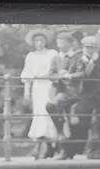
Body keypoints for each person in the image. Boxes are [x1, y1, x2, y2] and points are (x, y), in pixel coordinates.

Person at [56, 35, 100, 160]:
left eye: (93, 47)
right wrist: (65, 73)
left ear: (96, 48)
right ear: (83, 47)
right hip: (85, 95)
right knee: (81, 123)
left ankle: (99, 151)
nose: (90, 50)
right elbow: (70, 71)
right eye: (87, 47)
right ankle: (70, 151)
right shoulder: (77, 58)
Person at [20, 28, 60, 159]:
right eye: (36, 40)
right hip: (37, 88)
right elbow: (27, 75)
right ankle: (40, 145)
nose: (39, 43)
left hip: (49, 86)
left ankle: (51, 145)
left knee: (48, 113)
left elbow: (57, 70)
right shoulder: (31, 56)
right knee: (39, 115)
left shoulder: (52, 53)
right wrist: (26, 93)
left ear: (45, 41)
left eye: (41, 40)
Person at [46, 30, 82, 154]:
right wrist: (59, 77)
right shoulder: (56, 57)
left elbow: (82, 72)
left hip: (73, 91)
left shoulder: (77, 56)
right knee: (51, 106)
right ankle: (60, 132)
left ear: (69, 43)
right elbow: (50, 74)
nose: (59, 44)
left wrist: (70, 75)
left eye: (62, 42)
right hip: (59, 92)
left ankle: (67, 149)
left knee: (71, 120)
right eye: (58, 41)